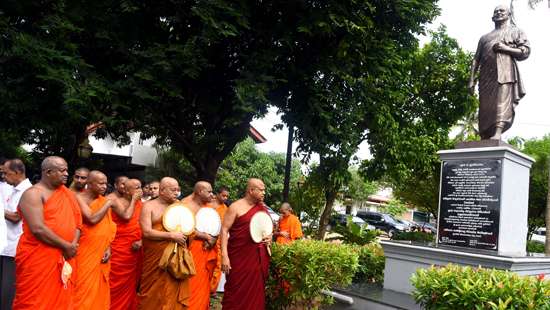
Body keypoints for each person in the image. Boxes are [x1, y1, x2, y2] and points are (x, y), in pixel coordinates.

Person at [12, 156, 82, 309]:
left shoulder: (68, 194)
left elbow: (78, 223)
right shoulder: (33, 194)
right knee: (35, 302)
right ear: (49, 172)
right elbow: (38, 229)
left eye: (67, 171)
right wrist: (66, 246)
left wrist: (72, 245)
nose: (66, 174)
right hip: (39, 257)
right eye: (62, 171)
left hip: (66, 256)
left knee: (63, 300)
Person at [468, 5, 530, 140]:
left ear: (508, 15)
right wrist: (472, 79)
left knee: (501, 103)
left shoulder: (516, 32)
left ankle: (498, 132)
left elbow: (525, 51)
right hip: (486, 76)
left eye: (501, 11)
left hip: (505, 73)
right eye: (495, 11)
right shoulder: (484, 38)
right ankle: (485, 134)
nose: (498, 13)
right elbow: (475, 60)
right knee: (485, 106)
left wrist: (505, 48)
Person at [138, 177, 190, 309]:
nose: (176, 193)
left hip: (174, 260)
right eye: (173, 190)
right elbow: (147, 232)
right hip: (155, 260)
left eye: (178, 190)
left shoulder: (179, 206)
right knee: (151, 294)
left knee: (172, 294)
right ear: (162, 190)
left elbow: (189, 228)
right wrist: (171, 235)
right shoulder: (149, 206)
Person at [221, 178, 271, 310]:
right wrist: (224, 256)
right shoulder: (235, 207)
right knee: (235, 291)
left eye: (264, 190)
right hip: (238, 259)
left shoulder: (262, 209)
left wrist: (269, 237)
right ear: (251, 190)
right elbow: (224, 230)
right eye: (261, 190)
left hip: (256, 260)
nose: (264, 193)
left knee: (255, 294)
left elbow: (266, 228)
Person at [74, 171, 117, 310]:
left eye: (105, 183)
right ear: (90, 183)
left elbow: (108, 227)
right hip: (84, 250)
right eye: (101, 183)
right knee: (82, 287)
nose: (104, 186)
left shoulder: (102, 200)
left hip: (101, 251)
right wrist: (108, 203)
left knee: (98, 290)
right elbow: (92, 219)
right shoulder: (78, 197)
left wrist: (108, 247)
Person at [182, 181, 220, 310]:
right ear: (199, 192)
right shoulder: (185, 205)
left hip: (206, 249)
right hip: (190, 251)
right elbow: (183, 229)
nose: (212, 195)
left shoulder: (207, 207)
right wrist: (206, 237)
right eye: (209, 192)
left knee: (203, 284)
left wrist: (213, 239)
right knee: (191, 283)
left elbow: (214, 227)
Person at [1, 159, 32, 309]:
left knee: (8, 291)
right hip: (6, 246)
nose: (4, 177)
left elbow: (15, 217)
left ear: (17, 172)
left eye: (6, 173)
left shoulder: (27, 191)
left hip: (15, 249)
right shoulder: (13, 189)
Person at [110, 178, 143, 310]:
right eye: (136, 188)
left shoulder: (142, 205)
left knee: (132, 284)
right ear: (126, 190)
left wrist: (142, 241)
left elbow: (145, 224)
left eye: (140, 187)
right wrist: (134, 200)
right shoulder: (116, 202)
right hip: (119, 249)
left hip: (136, 250)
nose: (139, 190)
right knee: (115, 282)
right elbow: (126, 217)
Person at [210, 186, 230, 293]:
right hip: (207, 238)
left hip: (219, 240)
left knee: (218, 264)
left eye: (227, 196)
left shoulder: (226, 209)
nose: (225, 198)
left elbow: (226, 227)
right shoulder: (209, 205)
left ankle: (212, 289)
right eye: (223, 195)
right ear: (217, 194)